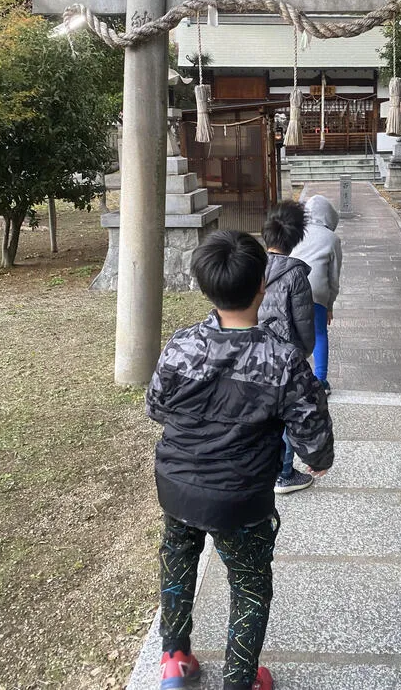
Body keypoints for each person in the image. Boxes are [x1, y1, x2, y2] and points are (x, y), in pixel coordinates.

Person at [146, 230, 333, 690]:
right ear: (261, 287)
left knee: (178, 560)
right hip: (241, 495)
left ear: (206, 287)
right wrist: (317, 460)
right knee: (249, 584)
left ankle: (174, 660)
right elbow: (311, 429)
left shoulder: (181, 344)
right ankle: (240, 680)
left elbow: (156, 407)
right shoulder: (283, 358)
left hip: (177, 483)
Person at [258, 201, 316, 496]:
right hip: (287, 354)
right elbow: (304, 321)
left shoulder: (252, 267)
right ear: (295, 239)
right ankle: (283, 473)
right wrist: (305, 351)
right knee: (288, 413)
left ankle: (263, 466)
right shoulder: (296, 275)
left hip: (254, 352)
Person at [290, 194, 342, 396]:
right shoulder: (332, 238)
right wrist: (329, 305)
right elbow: (333, 277)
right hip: (317, 290)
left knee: (293, 333)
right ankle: (320, 381)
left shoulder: (295, 232)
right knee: (319, 334)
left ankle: (294, 378)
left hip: (293, 287)